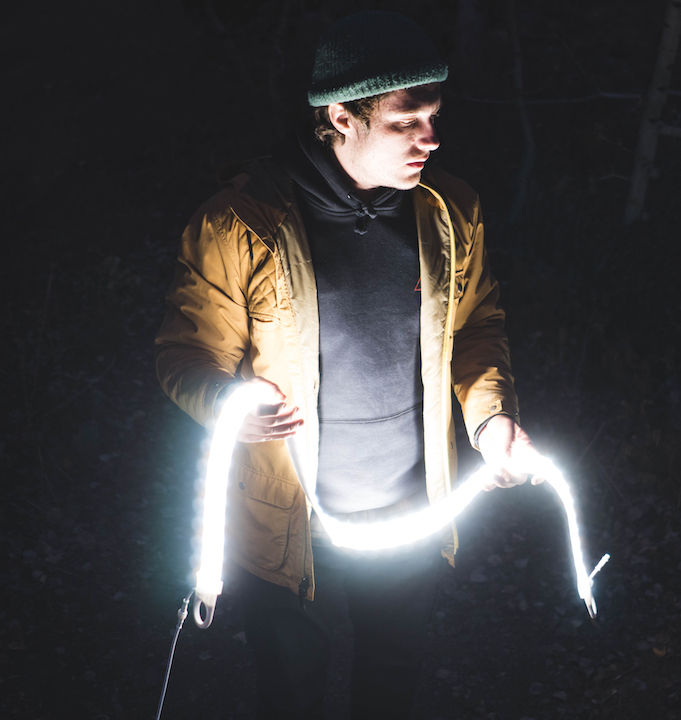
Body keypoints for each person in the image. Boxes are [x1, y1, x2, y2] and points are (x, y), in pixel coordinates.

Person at [155, 11, 536, 719]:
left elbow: (477, 326)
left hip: (410, 511)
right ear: (340, 117)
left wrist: (491, 420)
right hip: (288, 522)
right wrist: (228, 403)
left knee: (392, 679)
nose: (430, 138)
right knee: (290, 690)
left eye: (434, 117)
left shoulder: (450, 212)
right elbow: (186, 354)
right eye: (405, 122)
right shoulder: (240, 224)